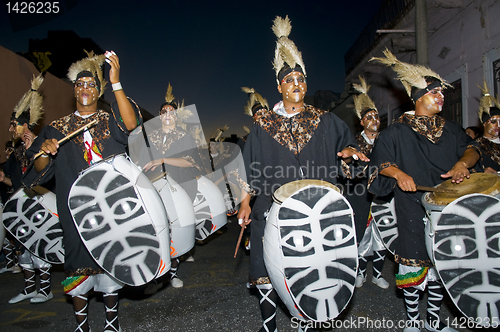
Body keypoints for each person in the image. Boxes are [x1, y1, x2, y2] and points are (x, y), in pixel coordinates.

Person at [237, 16, 368, 332]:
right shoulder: (263, 125)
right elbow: (247, 168)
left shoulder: (327, 121)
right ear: (279, 86)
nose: (297, 84)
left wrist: (351, 154)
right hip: (272, 208)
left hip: (318, 215)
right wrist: (244, 202)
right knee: (267, 274)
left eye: (302, 79)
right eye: (290, 80)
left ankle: (307, 321)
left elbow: (347, 151)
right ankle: (269, 325)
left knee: (313, 271)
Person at [23, 51, 140, 332]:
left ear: (98, 91)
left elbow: (132, 125)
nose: (85, 88)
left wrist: (116, 82)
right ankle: (81, 325)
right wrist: (45, 152)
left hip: (110, 203)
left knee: (112, 257)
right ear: (74, 90)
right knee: (76, 265)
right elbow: (38, 167)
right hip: (75, 209)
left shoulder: (108, 119)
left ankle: (112, 322)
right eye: (80, 84)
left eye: (91, 84)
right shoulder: (56, 127)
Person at [368, 49, 480, 332]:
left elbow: (473, 150)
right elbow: (378, 164)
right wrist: (398, 173)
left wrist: (462, 165)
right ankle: (413, 323)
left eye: (441, 92)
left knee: (440, 266)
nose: (440, 96)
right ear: (417, 98)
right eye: (434, 92)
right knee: (414, 264)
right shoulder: (395, 132)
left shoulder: (452, 130)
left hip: (448, 208)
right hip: (412, 208)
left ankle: (433, 321)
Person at [140, 83, 202, 290]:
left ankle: (172, 273)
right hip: (152, 187)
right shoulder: (149, 136)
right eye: (164, 111)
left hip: (178, 187)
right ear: (159, 115)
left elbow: (191, 162)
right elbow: (141, 160)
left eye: (172, 112)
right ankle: (154, 269)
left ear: (176, 117)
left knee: (174, 230)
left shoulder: (185, 137)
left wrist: (163, 160)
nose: (168, 114)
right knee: (155, 230)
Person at [2, 74, 53, 304]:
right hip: (20, 203)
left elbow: (43, 173)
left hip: (36, 201)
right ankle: (29, 288)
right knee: (24, 248)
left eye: (15, 124)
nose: (11, 128)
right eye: (11, 124)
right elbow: (16, 183)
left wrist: (35, 151)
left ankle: (45, 289)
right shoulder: (13, 154)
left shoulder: (35, 143)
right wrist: (3, 178)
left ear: (25, 125)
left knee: (38, 243)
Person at [344, 76, 389, 290]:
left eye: (376, 116)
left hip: (384, 196)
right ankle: (361, 272)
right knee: (361, 235)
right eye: (369, 117)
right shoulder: (354, 143)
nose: (374, 119)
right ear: (362, 122)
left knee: (382, 235)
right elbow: (347, 170)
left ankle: (378, 274)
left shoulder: (386, 141)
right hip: (360, 195)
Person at [475, 81, 500, 173]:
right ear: (484, 123)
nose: (498, 125)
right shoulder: (476, 145)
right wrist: (482, 171)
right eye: (493, 122)